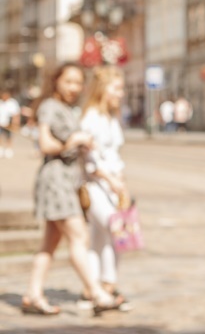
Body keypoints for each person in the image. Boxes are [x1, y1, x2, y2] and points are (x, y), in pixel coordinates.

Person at [21, 63, 122, 316]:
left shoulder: (69, 109)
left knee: (49, 244)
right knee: (79, 237)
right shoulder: (48, 107)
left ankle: (33, 294)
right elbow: (44, 144)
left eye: (78, 83)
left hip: (68, 179)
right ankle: (96, 292)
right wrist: (72, 142)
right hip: (55, 180)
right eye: (69, 82)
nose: (74, 87)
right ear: (56, 81)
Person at [79, 66, 131, 310]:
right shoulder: (91, 117)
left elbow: (114, 155)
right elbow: (90, 159)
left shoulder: (110, 117)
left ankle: (94, 288)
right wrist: (111, 180)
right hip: (95, 185)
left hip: (111, 185)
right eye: (117, 88)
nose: (121, 93)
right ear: (103, 89)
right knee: (114, 229)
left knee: (99, 237)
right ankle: (106, 285)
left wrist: (120, 184)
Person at [0, 88, 22, 157]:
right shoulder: (1, 102)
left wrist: (15, 123)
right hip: (1, 123)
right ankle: (1, 148)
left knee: (9, 137)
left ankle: (9, 149)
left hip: (9, 124)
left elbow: (16, 114)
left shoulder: (12, 102)